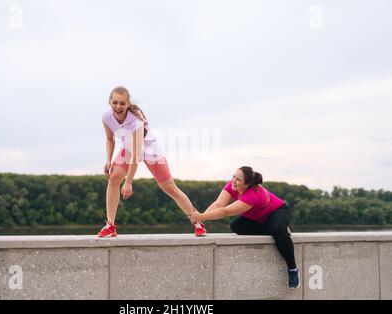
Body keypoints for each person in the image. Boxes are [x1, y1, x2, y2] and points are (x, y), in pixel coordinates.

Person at [98, 86, 206, 237]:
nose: (118, 106)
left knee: (170, 187)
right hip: (129, 149)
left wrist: (128, 182)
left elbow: (137, 154)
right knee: (114, 178)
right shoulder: (106, 117)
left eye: (122, 103)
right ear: (110, 102)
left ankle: (197, 221)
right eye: (115, 102)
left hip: (150, 151)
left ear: (128, 104)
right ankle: (110, 225)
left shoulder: (136, 121)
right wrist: (108, 160)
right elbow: (110, 139)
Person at [188, 166, 300, 289]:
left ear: (247, 184)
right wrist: (202, 219)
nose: (234, 181)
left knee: (278, 231)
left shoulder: (252, 195)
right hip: (258, 218)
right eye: (233, 177)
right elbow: (219, 204)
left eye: (238, 180)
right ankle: (276, 230)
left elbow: (225, 211)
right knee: (236, 226)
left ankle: (293, 269)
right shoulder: (231, 185)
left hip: (277, 212)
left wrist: (201, 217)